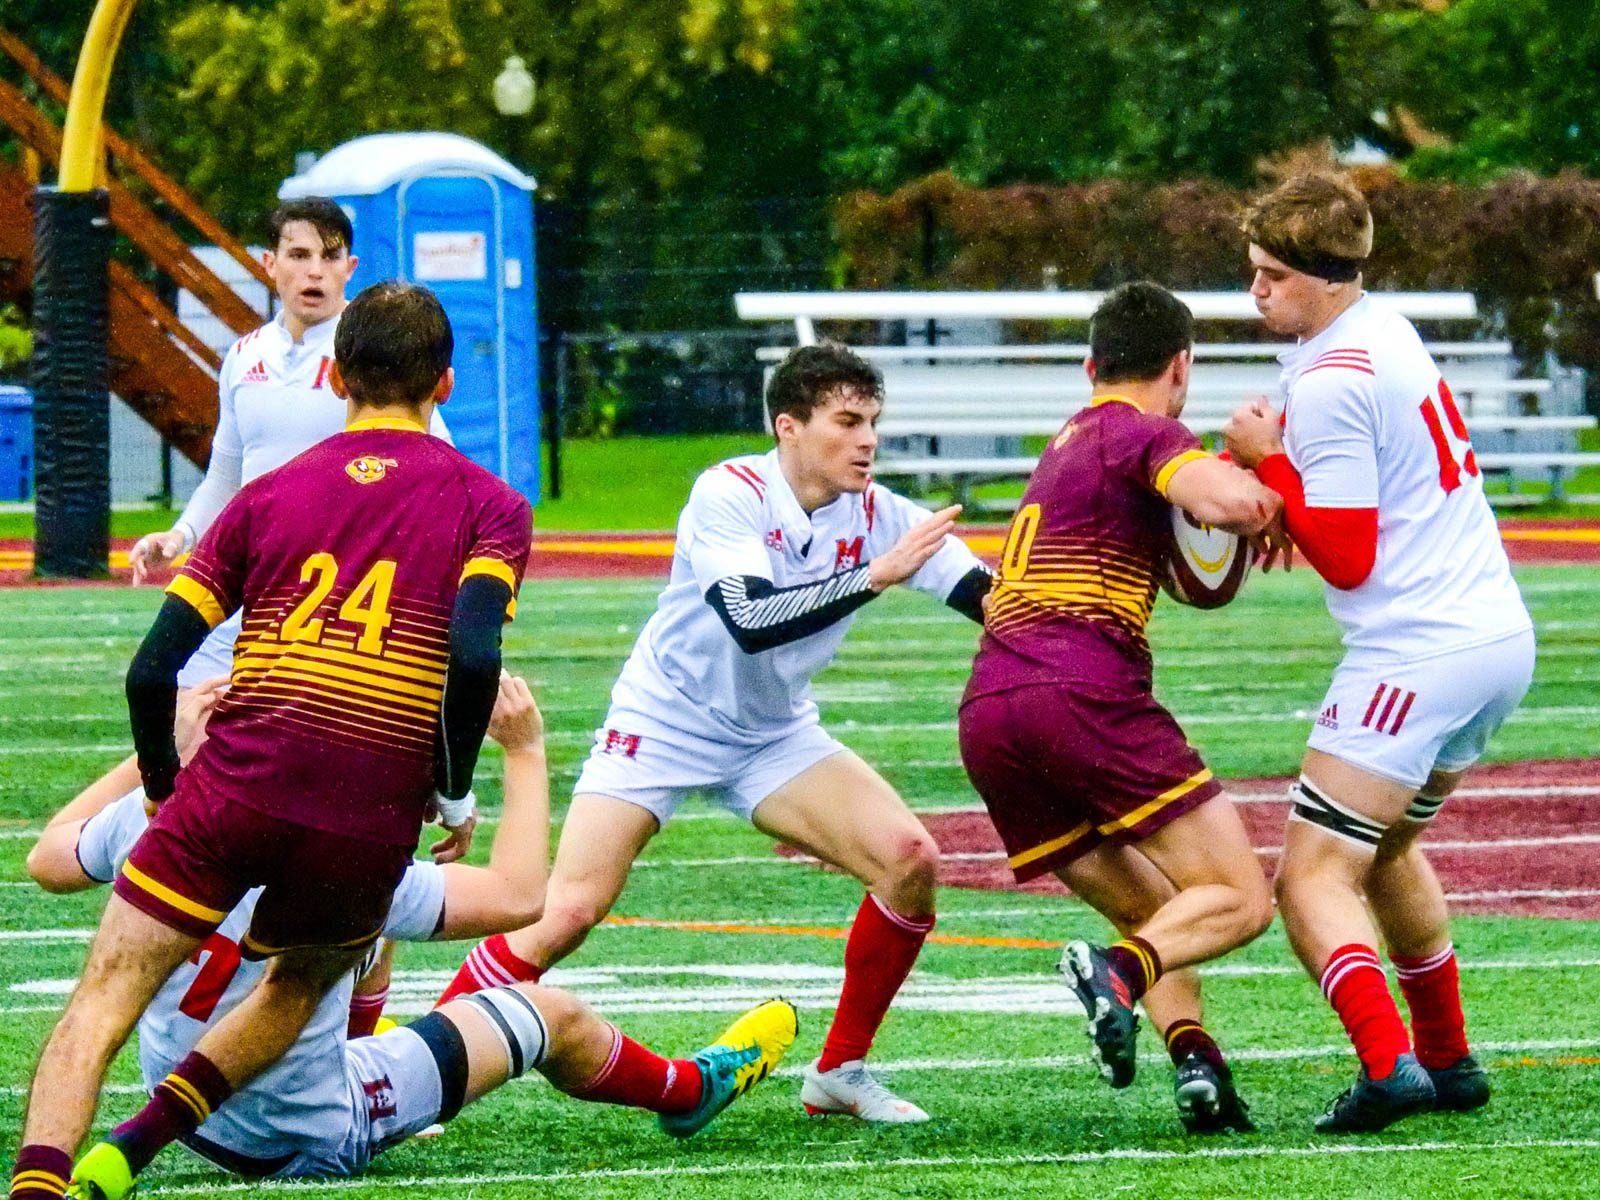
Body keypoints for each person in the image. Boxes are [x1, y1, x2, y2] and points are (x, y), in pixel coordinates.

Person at [10, 281, 533, 1200]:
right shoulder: (489, 503)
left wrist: (172, 794)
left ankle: (38, 1188)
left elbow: (151, 670)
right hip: (363, 811)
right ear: (445, 384)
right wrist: (451, 792)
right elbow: (473, 650)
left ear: (334, 376)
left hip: (237, 783)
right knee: (298, 986)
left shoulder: (267, 497)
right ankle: (132, 1149)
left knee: (99, 1003)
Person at [436, 341, 994, 1123]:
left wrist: (1073, 616)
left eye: (873, 421)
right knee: (564, 912)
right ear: (788, 426)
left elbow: (989, 598)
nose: (867, 439)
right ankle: (431, 1071)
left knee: (909, 861)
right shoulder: (728, 491)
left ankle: (839, 1073)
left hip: (774, 733)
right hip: (664, 716)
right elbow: (751, 621)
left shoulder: (882, 516)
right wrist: (874, 577)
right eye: (847, 421)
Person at [17, 675, 795, 1192]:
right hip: (297, 1130)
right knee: (550, 1014)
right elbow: (522, 897)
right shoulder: (351, 857)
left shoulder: (161, 817)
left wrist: (162, 756)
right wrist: (524, 752)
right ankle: (688, 1090)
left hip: (179, 1094)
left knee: (350, 943)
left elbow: (49, 856)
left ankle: (357, 1037)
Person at [1223, 172, 1536, 1133]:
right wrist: (1295, 495)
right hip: (1493, 641)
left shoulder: (1327, 379)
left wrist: (1268, 464)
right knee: (1389, 844)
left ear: (1321, 277)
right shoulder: (1383, 329)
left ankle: (1387, 1065)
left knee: (1310, 876)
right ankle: (1447, 1060)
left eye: (1272, 276)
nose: (1257, 293)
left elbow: (1352, 560)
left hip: (1416, 648)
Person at [956, 282, 1282, 1132]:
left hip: (991, 709)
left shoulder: (1069, 441)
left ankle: (1198, 1066)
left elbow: (1186, 556)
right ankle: (1116, 977)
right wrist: (1262, 474)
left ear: (1090, 365)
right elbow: (1225, 504)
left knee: (1160, 914)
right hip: (1079, 688)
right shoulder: (1143, 429)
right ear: (1182, 367)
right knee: (1239, 900)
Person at [127, 196, 450, 686]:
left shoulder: (375, 351)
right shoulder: (243, 355)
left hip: (337, 592)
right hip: (249, 578)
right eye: (299, 256)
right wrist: (180, 536)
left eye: (330, 256)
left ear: (351, 267)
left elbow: (436, 466)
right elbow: (228, 476)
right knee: (180, 718)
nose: (315, 272)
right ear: (269, 264)